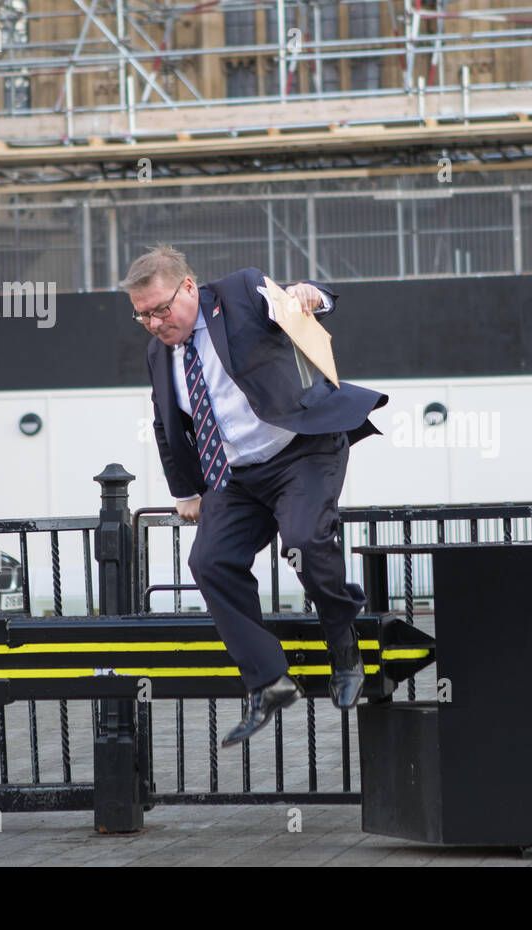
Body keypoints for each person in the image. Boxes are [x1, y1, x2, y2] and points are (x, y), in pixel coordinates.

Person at [123, 243, 387, 747]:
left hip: (300, 451)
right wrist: (186, 490)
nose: (155, 323)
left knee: (306, 542)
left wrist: (312, 295)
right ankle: (268, 681)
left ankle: (343, 644)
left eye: (160, 309)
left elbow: (299, 303)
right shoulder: (158, 353)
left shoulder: (241, 291)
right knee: (211, 562)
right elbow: (167, 424)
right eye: (142, 316)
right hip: (237, 475)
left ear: (189, 287)